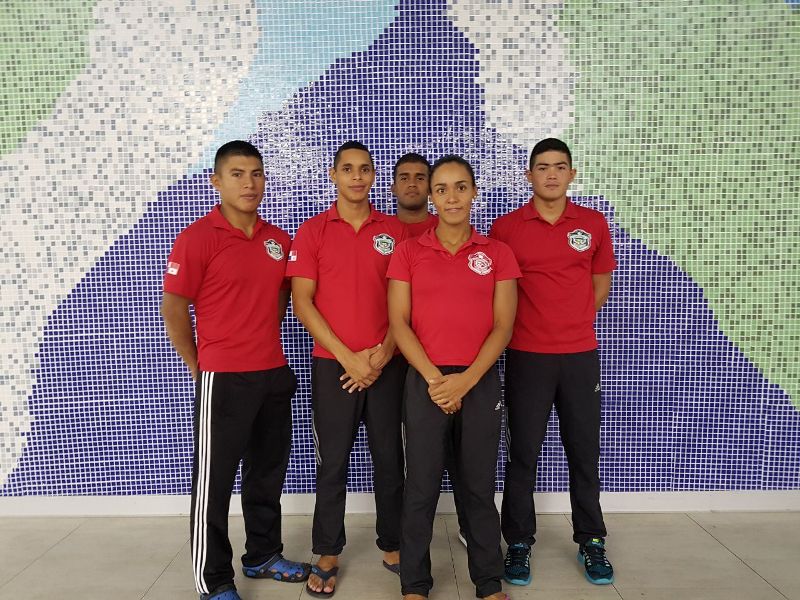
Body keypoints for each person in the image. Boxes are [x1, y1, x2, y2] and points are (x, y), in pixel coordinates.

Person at [161, 141, 310, 600]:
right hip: (223, 377)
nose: (249, 183)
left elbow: (283, 299)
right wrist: (200, 365)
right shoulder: (197, 237)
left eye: (257, 174)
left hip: (272, 373)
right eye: (238, 174)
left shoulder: (278, 239)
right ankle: (214, 580)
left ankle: (263, 555)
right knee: (215, 483)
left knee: (267, 474)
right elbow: (173, 308)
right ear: (217, 181)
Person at [388, 155, 521, 600]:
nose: (451, 197)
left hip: (478, 381)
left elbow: (503, 325)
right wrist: (435, 379)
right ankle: (415, 584)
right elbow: (399, 323)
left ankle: (488, 580)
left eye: (460, 187)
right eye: (441, 189)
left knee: (478, 486)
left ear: (474, 193)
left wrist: (466, 380)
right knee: (421, 487)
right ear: (431, 196)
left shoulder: (497, 254)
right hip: (425, 382)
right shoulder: (408, 252)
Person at [490, 138, 616, 586]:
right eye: (542, 167)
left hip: (579, 357)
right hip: (527, 358)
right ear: (529, 175)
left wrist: (573, 322)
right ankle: (518, 543)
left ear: (571, 174)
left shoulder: (592, 224)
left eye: (559, 167)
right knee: (522, 455)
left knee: (584, 452)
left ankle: (592, 540)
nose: (551, 174)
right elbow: (498, 293)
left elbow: (599, 283)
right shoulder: (506, 228)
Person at [288, 141, 407, 597]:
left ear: (374, 177)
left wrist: (381, 354)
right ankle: (327, 551)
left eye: (365, 169)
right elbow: (303, 302)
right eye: (348, 169)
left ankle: (392, 542)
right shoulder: (312, 231)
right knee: (332, 462)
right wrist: (348, 357)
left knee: (390, 459)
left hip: (387, 365)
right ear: (334, 175)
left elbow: (407, 301)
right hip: (333, 366)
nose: (357, 177)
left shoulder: (395, 231)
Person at [391, 152, 438, 236]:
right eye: (404, 178)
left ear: (430, 188)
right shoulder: (380, 230)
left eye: (420, 178)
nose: (412, 184)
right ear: (394, 189)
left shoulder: (445, 229)